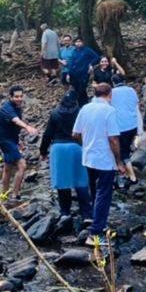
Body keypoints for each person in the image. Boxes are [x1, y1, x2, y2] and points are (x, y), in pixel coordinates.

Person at [72, 83, 125, 245]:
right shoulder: (109, 111)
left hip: (88, 158)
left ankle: (97, 221)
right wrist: (119, 161)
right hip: (105, 159)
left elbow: (75, 134)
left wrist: (86, 145)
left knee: (95, 192)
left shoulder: (85, 108)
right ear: (110, 94)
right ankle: (95, 233)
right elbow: (113, 139)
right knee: (104, 194)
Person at [40, 91, 92, 222]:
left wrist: (43, 151)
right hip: (76, 147)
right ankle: (86, 214)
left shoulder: (55, 113)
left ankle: (65, 212)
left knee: (63, 182)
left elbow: (48, 134)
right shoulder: (80, 112)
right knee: (81, 181)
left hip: (59, 148)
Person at [0, 86, 40, 200]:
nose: (19, 99)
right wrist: (27, 127)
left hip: (11, 139)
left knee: (8, 167)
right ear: (10, 97)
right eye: (16, 97)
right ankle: (15, 195)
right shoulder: (7, 108)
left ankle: (3, 195)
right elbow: (15, 120)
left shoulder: (17, 107)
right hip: (4, 140)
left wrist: (18, 141)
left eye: (21, 96)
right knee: (22, 165)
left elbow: (13, 126)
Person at [110, 75, 139, 185]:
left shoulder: (112, 93)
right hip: (132, 125)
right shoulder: (131, 90)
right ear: (124, 81)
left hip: (120, 127)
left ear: (113, 82)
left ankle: (132, 177)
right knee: (126, 148)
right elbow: (136, 105)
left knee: (123, 152)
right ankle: (126, 173)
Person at [65, 38, 100, 106]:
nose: (78, 43)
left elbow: (97, 57)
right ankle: (76, 105)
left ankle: (84, 105)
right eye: (76, 42)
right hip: (74, 74)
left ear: (83, 42)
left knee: (82, 90)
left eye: (80, 41)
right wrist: (68, 74)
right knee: (75, 90)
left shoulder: (87, 50)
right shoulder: (74, 51)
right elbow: (72, 63)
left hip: (83, 74)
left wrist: (90, 64)